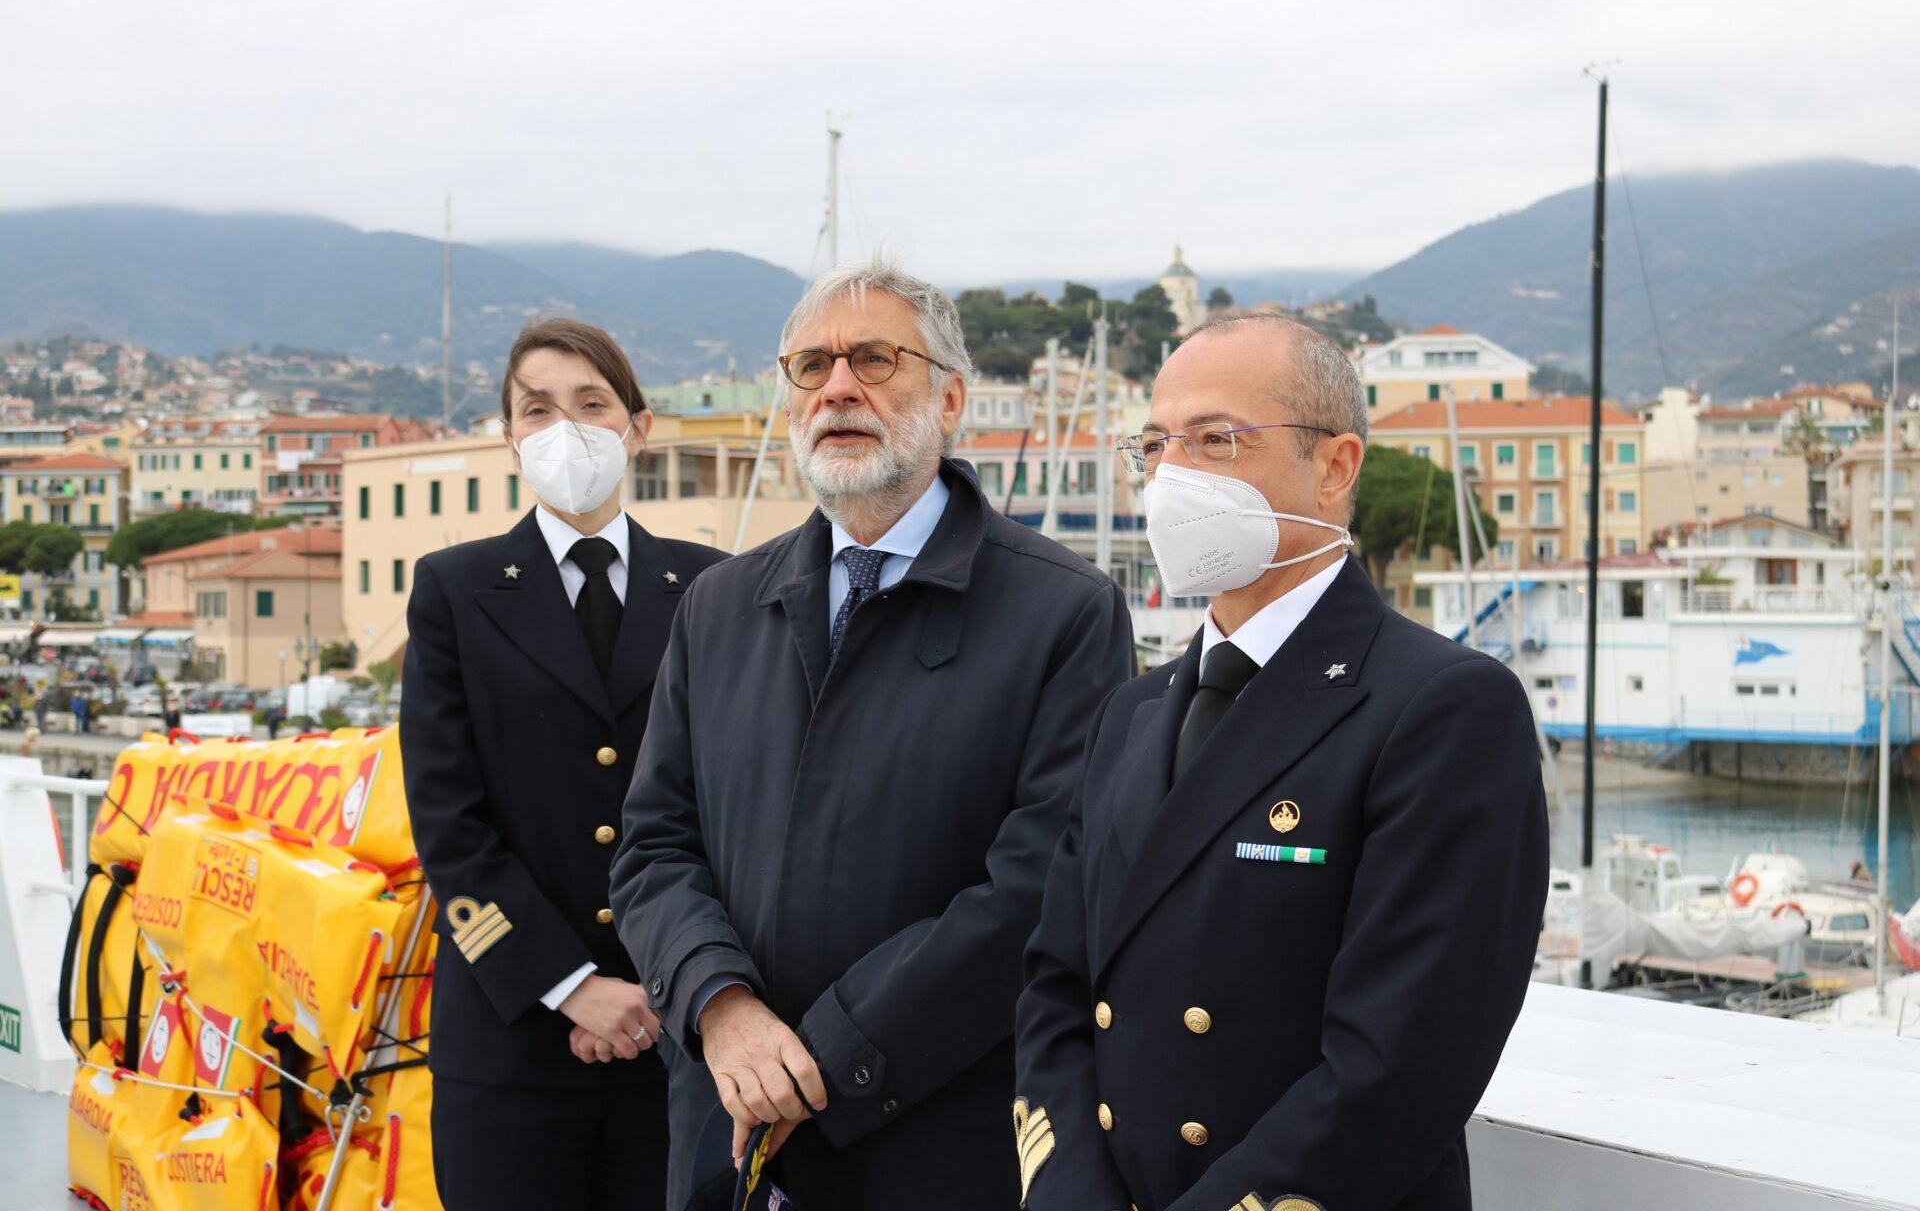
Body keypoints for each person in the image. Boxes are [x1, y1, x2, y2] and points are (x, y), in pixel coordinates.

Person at [610, 259, 1134, 1209]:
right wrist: (723, 1011)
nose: (838, 385)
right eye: (810, 365)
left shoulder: (1064, 613)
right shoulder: (720, 608)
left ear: (951, 401)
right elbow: (653, 847)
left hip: (936, 1147)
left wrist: (821, 1061)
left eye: (876, 359)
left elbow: (1038, 886)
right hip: (726, 1145)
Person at [1013, 314, 1549, 1211]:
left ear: (1335, 468)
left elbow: (1400, 1068)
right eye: (1154, 445)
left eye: (1215, 439)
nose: (1173, 475)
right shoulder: (1131, 714)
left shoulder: (1443, 706)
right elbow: (1055, 990)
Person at [401, 318, 730, 1211]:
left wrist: (666, 984)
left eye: (592, 404)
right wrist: (571, 987)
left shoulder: (714, 590)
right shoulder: (453, 591)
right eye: (537, 409)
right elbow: (448, 829)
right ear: (508, 435)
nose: (566, 428)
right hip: (509, 1038)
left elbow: (733, 813)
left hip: (678, 1032)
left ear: (639, 425)